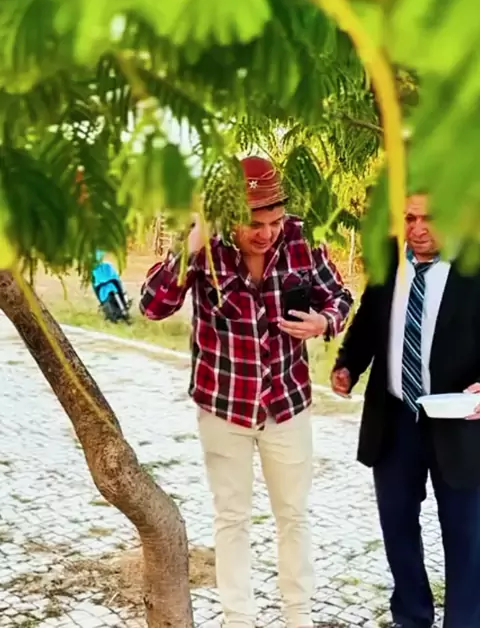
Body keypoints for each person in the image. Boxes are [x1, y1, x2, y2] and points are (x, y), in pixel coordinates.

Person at [140, 155, 353, 628]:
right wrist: (193, 242)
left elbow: (340, 297)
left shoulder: (300, 240)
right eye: (255, 224)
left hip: (287, 404)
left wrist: (323, 322)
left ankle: (299, 617)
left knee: (293, 515)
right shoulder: (204, 247)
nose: (268, 233)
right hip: (224, 406)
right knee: (231, 517)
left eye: (275, 221)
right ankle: (238, 619)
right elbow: (153, 305)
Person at [331, 192, 480, 628]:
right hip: (394, 420)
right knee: (397, 526)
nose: (418, 228)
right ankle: (412, 615)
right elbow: (369, 320)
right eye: (410, 218)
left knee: (466, 534)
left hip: (460, 423)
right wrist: (348, 365)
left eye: (429, 218)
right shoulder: (390, 260)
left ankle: (465, 621)